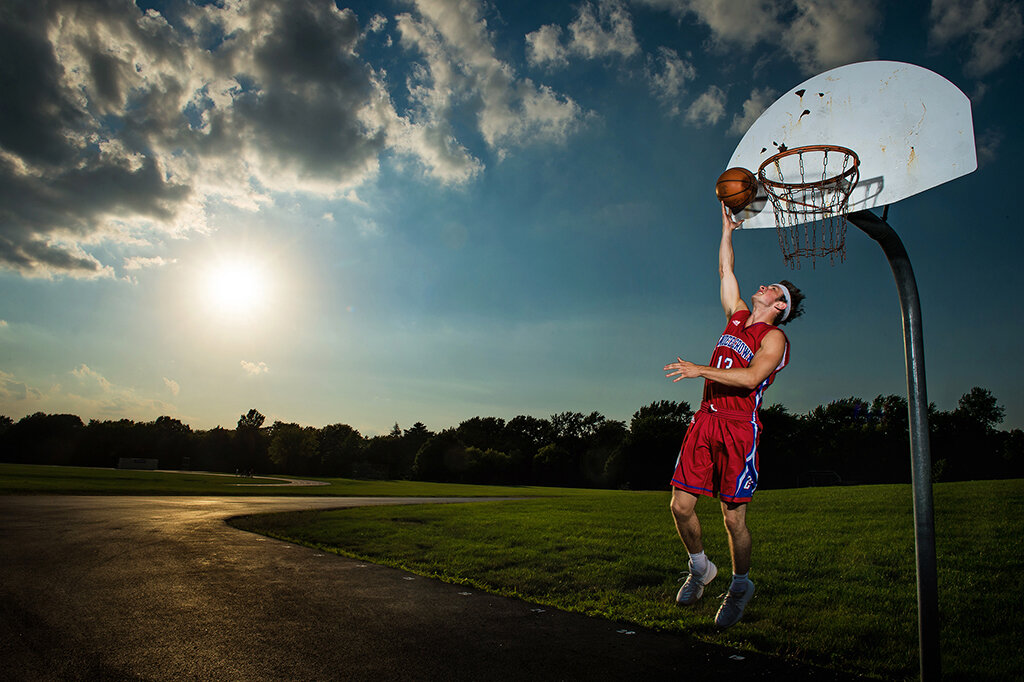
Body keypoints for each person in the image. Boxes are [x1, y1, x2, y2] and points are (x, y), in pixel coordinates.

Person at [663, 202, 805, 629]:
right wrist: (727, 231)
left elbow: (751, 378)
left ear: (781, 305)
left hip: (739, 430)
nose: (763, 287)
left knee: (732, 517)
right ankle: (701, 568)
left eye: (773, 289)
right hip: (706, 419)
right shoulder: (738, 315)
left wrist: (699, 369)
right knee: (680, 506)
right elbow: (726, 272)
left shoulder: (775, 338)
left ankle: (741, 584)